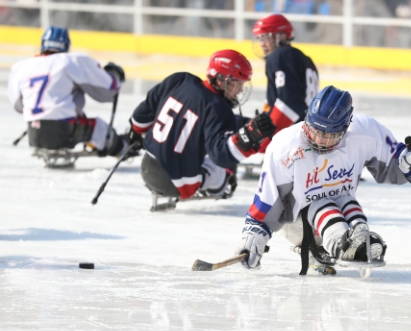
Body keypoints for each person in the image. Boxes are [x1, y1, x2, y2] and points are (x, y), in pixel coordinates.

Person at [234, 86, 411, 270]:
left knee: (344, 198)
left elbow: (397, 163)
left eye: (329, 135)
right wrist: (253, 234)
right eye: (314, 130)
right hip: (296, 222)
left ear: (345, 128)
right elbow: (268, 199)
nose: (319, 140)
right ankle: (339, 243)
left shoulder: (364, 133)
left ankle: (358, 234)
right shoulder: (285, 147)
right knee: (322, 201)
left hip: (344, 209)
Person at [129, 49, 276, 201]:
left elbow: (141, 116)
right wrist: (250, 137)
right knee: (221, 175)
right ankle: (215, 187)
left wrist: (135, 132)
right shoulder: (220, 109)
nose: (240, 90)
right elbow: (222, 156)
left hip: (147, 167)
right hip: (180, 183)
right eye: (238, 83)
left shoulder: (180, 80)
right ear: (221, 79)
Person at [8, 26, 129, 157]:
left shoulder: (21, 67)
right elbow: (108, 89)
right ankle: (124, 150)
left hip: (34, 132)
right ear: (66, 45)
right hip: (64, 130)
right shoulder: (70, 61)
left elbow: (18, 106)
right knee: (100, 128)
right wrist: (114, 74)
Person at [252, 13, 319, 152]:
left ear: (282, 35)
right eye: (259, 38)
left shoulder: (281, 55)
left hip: (290, 136)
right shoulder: (306, 59)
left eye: (266, 37)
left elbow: (289, 102)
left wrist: (269, 135)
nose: (262, 43)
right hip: (309, 133)